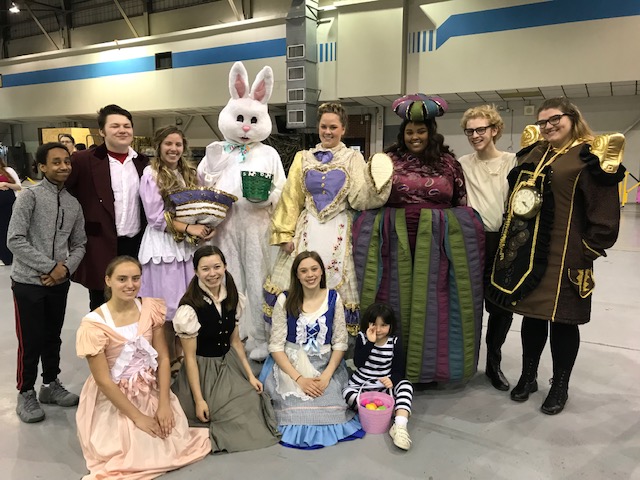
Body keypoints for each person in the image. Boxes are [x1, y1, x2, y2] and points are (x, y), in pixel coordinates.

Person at [487, 98, 625, 414]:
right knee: (533, 319)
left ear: (572, 118)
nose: (548, 126)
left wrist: (586, 250)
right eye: (543, 122)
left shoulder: (589, 157)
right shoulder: (535, 154)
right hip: (530, 257)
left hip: (568, 257)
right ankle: (528, 376)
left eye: (555, 119)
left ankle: (560, 385)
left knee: (563, 323)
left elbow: (604, 213)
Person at [352, 94, 485, 384]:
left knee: (434, 303)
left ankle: (430, 370)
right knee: (394, 302)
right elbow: (371, 197)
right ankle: (388, 368)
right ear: (403, 133)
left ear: (431, 132)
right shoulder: (387, 160)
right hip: (393, 243)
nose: (415, 137)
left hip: (436, 245)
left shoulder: (448, 163)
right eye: (410, 132)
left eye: (421, 131)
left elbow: (460, 203)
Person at [76, 256, 211, 479]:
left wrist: (164, 402)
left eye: (135, 278)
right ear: (108, 281)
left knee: (170, 439)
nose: (130, 285)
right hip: (115, 397)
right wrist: (138, 417)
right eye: (122, 279)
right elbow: (103, 381)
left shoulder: (150, 308)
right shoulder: (93, 325)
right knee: (136, 454)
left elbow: (163, 359)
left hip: (150, 389)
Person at [264, 102, 392, 336]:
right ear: (318, 127)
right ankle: (299, 336)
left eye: (333, 127)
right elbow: (291, 197)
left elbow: (360, 199)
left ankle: (336, 343)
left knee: (334, 281)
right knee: (301, 279)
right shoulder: (303, 158)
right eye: (324, 126)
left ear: (343, 129)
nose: (328, 132)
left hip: (338, 231)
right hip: (307, 230)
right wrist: (284, 234)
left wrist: (377, 185)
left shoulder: (353, 158)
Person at [197, 62, 286, 361]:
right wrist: (210, 164)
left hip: (257, 225)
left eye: (252, 120)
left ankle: (261, 337)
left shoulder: (269, 153)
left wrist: (269, 198)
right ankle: (230, 335)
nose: (246, 126)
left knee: (259, 279)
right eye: (240, 118)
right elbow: (203, 183)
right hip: (224, 227)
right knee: (225, 280)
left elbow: (282, 190)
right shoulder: (219, 150)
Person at [171, 245, 280, 452]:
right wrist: (199, 399)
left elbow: (236, 342)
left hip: (228, 363)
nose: (212, 273)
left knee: (250, 400)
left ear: (225, 267)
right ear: (196, 271)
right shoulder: (189, 309)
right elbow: (190, 358)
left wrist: (250, 376)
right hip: (203, 370)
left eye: (217, 267)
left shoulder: (232, 296)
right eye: (205, 269)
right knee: (221, 413)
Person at [7, 142, 86, 423]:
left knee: (52, 336)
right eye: (56, 162)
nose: (63, 166)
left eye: (67, 161)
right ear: (42, 167)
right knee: (31, 340)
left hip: (58, 283)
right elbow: (14, 239)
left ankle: (50, 384)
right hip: (28, 282)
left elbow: (80, 243)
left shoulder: (73, 203)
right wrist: (50, 266)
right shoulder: (29, 198)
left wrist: (64, 269)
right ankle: (25, 391)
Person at [260, 250, 364, 449]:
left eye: (314, 269)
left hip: (325, 363)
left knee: (332, 405)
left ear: (321, 272)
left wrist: (326, 376)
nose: (310, 275)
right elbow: (276, 346)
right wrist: (299, 379)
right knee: (293, 405)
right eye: (304, 271)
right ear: (297, 275)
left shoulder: (334, 298)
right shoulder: (284, 299)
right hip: (290, 363)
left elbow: (340, 343)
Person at [138, 125, 213, 372]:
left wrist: (206, 224)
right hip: (164, 247)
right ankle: (166, 360)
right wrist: (189, 229)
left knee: (186, 304)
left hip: (187, 249)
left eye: (178, 144)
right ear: (158, 147)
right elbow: (156, 217)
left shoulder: (190, 174)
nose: (173, 149)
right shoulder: (151, 174)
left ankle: (183, 357)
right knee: (166, 309)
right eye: (168, 144)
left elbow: (201, 204)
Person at [458, 105, 518, 391]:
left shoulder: (512, 161)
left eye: (481, 129)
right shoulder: (462, 163)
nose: (475, 135)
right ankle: (464, 361)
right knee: (467, 306)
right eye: (470, 131)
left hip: (504, 242)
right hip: (471, 242)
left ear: (494, 130)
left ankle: (493, 362)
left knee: (501, 308)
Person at [66, 104, 149, 311]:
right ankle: (101, 341)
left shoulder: (143, 163)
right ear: (102, 131)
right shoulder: (83, 161)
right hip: (99, 243)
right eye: (115, 126)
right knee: (100, 301)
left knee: (134, 297)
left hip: (135, 243)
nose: (122, 130)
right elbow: (65, 195)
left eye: (127, 126)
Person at [343, 303, 414, 451]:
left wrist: (392, 380)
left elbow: (399, 369)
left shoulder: (394, 341)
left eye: (383, 325)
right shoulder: (363, 337)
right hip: (362, 386)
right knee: (347, 393)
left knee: (406, 385)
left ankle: (400, 426)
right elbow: (359, 363)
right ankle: (390, 411)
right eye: (374, 324)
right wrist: (371, 342)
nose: (379, 329)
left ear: (390, 325)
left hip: (383, 388)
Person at [0, 156, 21, 265]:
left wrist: (6, 184)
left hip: (9, 205)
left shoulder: (8, 171)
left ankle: (11, 256)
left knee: (9, 229)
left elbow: (18, 186)